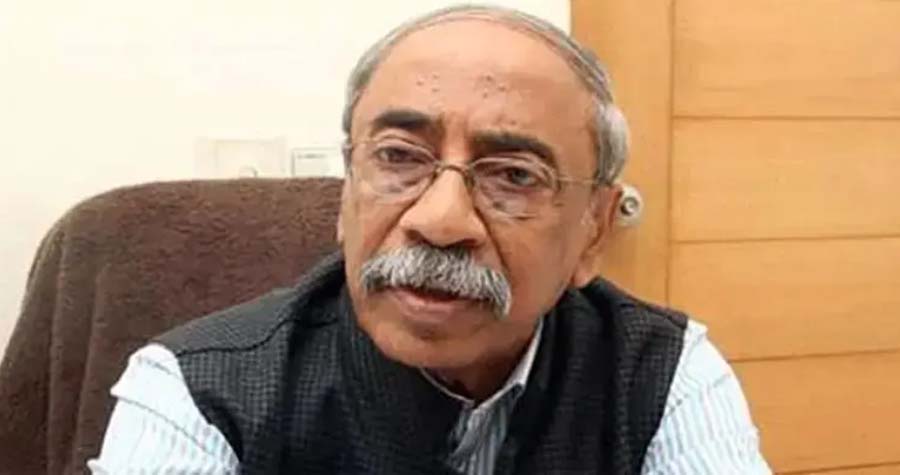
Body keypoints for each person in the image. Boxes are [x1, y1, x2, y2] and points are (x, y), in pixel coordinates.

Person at [89, 5, 771, 474]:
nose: (441, 220)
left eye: (513, 175)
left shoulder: (664, 374)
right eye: (398, 157)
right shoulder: (197, 390)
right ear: (348, 188)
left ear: (593, 228)